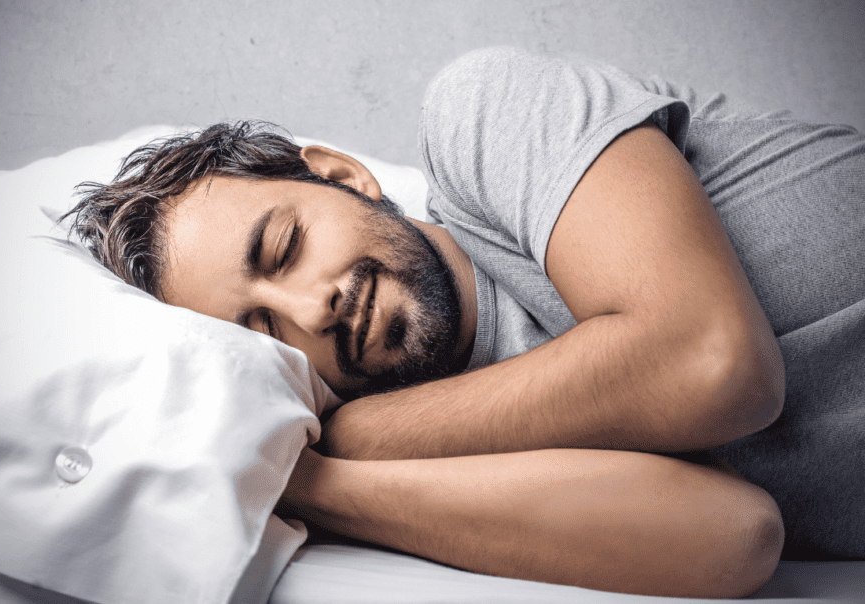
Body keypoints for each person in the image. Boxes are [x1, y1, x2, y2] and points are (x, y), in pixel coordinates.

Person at [64, 47, 864, 596]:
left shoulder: (484, 114)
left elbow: (715, 365)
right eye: (264, 333)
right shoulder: (451, 459)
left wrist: (357, 437)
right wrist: (310, 481)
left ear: (343, 176)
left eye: (285, 247)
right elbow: (735, 537)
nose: (313, 308)